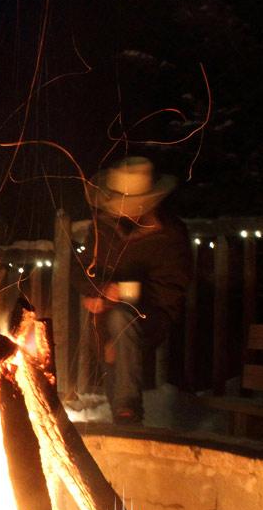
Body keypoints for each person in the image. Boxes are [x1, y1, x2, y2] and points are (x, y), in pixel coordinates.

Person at [72, 157, 192, 424]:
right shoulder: (102, 228)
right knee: (111, 325)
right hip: (105, 316)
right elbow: (81, 271)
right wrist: (98, 290)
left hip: (150, 316)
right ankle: (121, 414)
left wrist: (124, 296)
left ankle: (128, 409)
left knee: (120, 321)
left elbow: (170, 291)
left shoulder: (169, 235)